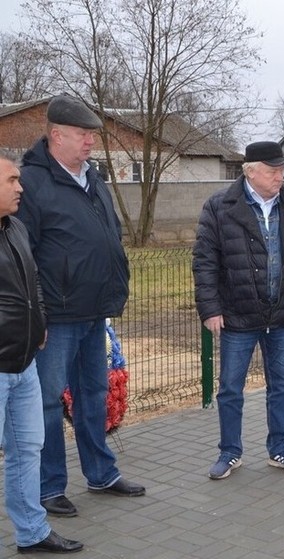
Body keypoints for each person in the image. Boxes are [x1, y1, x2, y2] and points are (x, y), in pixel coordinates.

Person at [15, 95, 145, 518]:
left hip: (95, 311)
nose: (91, 141)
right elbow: (23, 254)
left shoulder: (94, 179)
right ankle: (49, 487)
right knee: (48, 402)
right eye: (83, 134)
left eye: (93, 134)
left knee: (93, 394)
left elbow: (108, 237)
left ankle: (101, 473)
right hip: (56, 316)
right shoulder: (31, 183)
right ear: (56, 135)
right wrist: (38, 315)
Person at [193, 140, 284, 479]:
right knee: (230, 389)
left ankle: (280, 448)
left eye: (282, 170)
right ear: (251, 172)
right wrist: (210, 309)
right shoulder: (220, 206)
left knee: (283, 386)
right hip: (237, 316)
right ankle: (230, 452)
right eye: (273, 171)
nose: (280, 176)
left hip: (280, 316)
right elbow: (204, 262)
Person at [0, 151, 83, 554]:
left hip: (24, 364)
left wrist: (41, 322)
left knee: (27, 450)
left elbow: (33, 282)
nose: (21, 187)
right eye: (12, 180)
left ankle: (31, 532)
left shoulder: (14, 227)